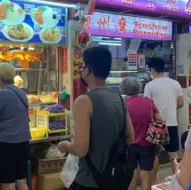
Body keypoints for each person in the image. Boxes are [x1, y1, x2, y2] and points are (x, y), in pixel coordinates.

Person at [57, 46, 135, 189]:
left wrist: (64, 146)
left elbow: (81, 149)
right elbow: (131, 138)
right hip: (116, 178)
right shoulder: (118, 97)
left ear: (88, 70)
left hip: (90, 180)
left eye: (83, 67)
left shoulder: (83, 101)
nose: (81, 70)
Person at [144, 57, 183, 175]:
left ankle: (153, 183)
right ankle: (176, 182)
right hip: (171, 124)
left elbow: (147, 107)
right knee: (174, 156)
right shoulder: (175, 83)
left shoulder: (149, 86)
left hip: (155, 125)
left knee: (154, 156)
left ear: (152, 69)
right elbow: (181, 103)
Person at [121, 77, 161, 190]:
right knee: (146, 173)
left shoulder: (124, 105)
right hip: (148, 143)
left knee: (132, 174)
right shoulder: (148, 101)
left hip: (130, 144)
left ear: (124, 90)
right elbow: (159, 118)